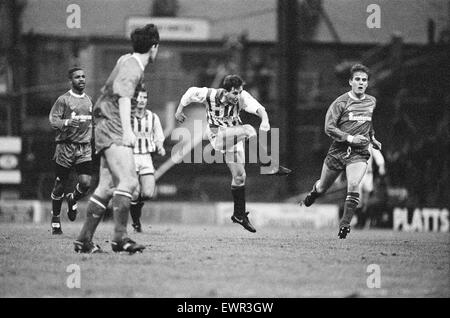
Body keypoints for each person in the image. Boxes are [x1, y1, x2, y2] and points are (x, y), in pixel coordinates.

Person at [74, 24, 160, 253]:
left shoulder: (126, 59)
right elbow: (122, 97)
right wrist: (127, 131)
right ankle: (120, 238)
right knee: (130, 182)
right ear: (154, 48)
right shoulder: (133, 66)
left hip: (104, 124)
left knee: (106, 186)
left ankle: (84, 240)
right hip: (113, 126)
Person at [175, 75, 291, 233]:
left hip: (234, 136)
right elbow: (190, 93)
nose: (238, 96)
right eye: (235, 93)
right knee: (250, 129)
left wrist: (265, 120)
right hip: (218, 135)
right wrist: (179, 110)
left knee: (239, 177)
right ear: (226, 91)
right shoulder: (209, 94)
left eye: (240, 92)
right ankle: (268, 164)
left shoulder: (243, 97)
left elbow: (260, 109)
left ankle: (239, 215)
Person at [300, 64, 382, 239]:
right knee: (323, 187)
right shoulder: (340, 102)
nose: (361, 83)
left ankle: (345, 225)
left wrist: (372, 138)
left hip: (359, 152)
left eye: (364, 80)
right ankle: (314, 193)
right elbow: (328, 128)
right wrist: (350, 138)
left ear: (367, 84)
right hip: (338, 151)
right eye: (357, 79)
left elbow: (368, 123)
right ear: (350, 82)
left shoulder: (371, 101)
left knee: (354, 185)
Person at [48, 67, 93, 235]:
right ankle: (55, 220)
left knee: (86, 183)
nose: (81, 79)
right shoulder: (63, 100)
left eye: (83, 76)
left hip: (84, 148)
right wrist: (66, 123)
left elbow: (90, 122)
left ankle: (73, 198)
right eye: (77, 77)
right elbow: (53, 120)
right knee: (60, 185)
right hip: (65, 147)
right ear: (71, 81)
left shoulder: (89, 100)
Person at [129, 87, 166, 232]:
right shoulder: (127, 116)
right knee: (135, 193)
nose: (142, 100)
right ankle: (136, 222)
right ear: (134, 99)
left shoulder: (153, 117)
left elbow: (158, 136)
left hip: (145, 157)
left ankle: (135, 211)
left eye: (144, 98)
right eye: (139, 97)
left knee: (148, 193)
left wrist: (160, 146)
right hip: (130, 157)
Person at [354, 145, 385, 228]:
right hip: (358, 173)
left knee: (366, 199)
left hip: (368, 174)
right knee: (358, 198)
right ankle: (359, 221)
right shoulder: (354, 141)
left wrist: (381, 166)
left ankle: (363, 220)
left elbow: (378, 155)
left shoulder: (370, 143)